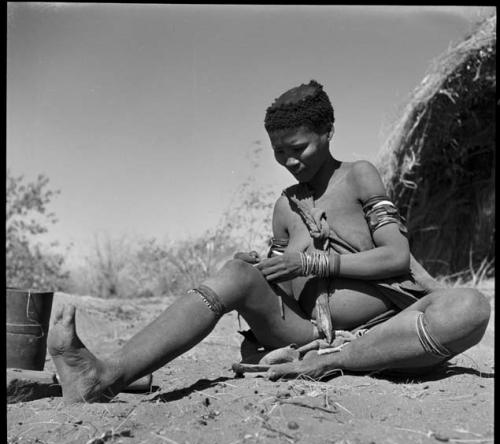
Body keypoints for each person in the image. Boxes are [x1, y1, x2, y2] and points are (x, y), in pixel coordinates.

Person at [49, 80, 490, 404]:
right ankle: (104, 375)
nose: (290, 161)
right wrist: (262, 270)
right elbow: (281, 285)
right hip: (308, 336)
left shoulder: (358, 176)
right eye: (280, 153)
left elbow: (396, 258)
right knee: (237, 273)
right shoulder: (286, 205)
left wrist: (313, 265)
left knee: (468, 307)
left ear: (328, 131)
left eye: (298, 148)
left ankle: (340, 361)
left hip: (389, 335)